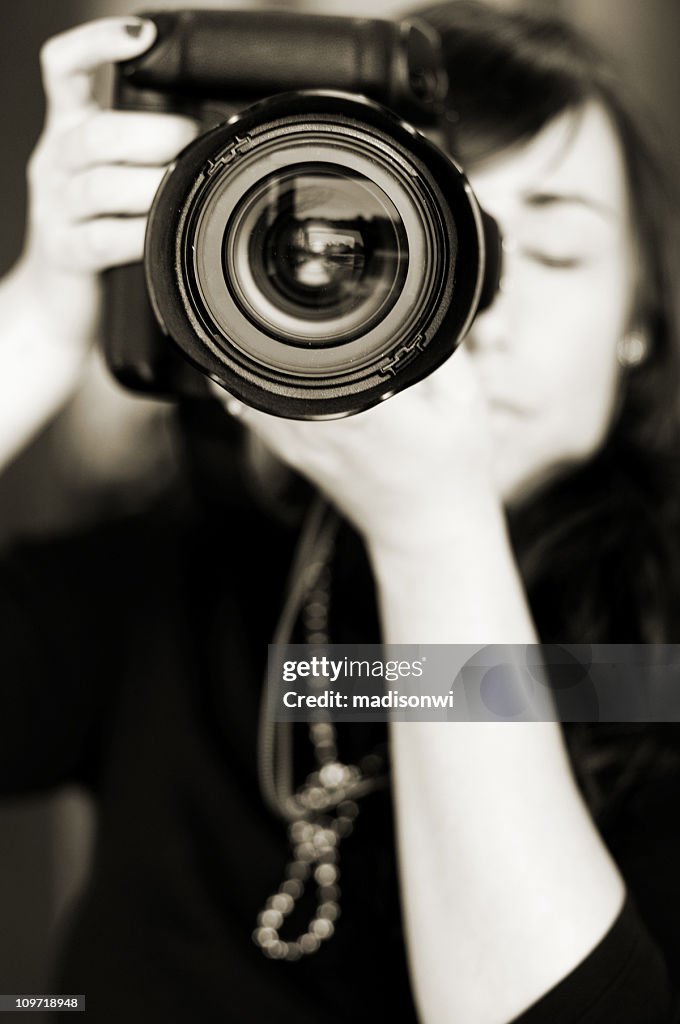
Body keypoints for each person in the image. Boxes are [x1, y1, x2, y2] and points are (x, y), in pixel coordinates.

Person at [0, 3, 679, 1022]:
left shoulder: (659, 658)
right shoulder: (178, 580)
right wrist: (40, 317)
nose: (470, 305)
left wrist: (432, 537)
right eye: (383, 235)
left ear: (638, 317)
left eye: (546, 250)